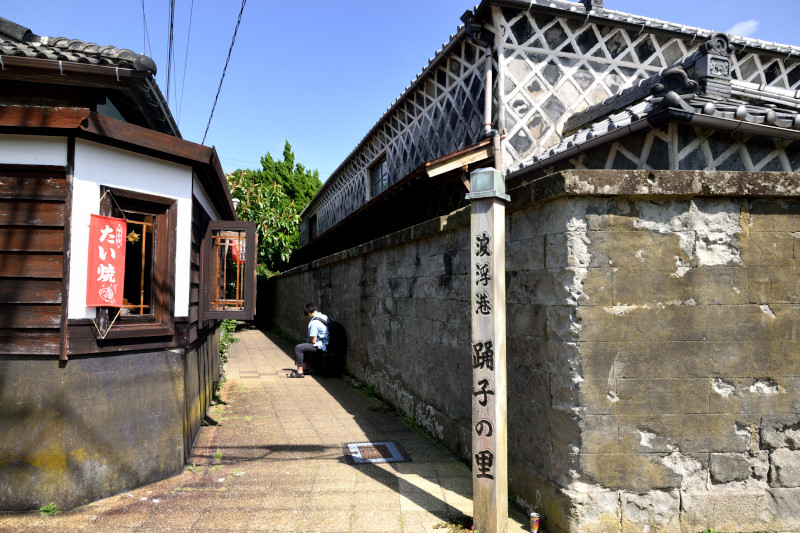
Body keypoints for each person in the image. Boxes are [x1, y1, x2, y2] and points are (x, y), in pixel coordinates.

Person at [289, 303, 328, 378]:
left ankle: (299, 372)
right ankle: (305, 369)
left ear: (309, 313)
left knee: (298, 347)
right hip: (330, 343)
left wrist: (308, 341)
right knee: (304, 346)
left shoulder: (314, 322)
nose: (308, 317)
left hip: (323, 346)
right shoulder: (325, 317)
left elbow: (313, 341)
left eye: (307, 316)